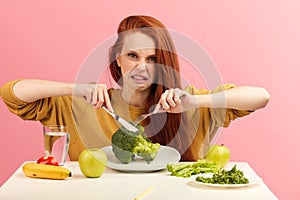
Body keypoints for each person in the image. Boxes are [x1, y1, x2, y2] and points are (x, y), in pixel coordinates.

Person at [0, 15, 270, 161]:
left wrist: (195, 104)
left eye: (152, 59)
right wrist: (75, 88)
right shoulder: (84, 103)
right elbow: (12, 93)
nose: (142, 67)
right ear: (118, 58)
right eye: (133, 56)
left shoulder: (187, 103)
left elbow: (260, 97)